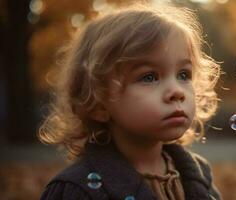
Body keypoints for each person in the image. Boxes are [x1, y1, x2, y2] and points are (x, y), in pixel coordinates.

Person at [38, 2, 222, 200]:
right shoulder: (77, 190)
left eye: (184, 75)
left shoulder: (198, 174)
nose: (177, 91)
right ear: (98, 102)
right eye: (149, 77)